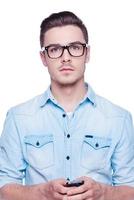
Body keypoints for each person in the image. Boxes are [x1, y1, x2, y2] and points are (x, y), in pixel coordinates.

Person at [0, 11, 134, 200]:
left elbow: (130, 189)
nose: (66, 58)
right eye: (55, 49)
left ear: (87, 53)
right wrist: (42, 192)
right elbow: (4, 188)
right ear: (43, 58)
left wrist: (103, 192)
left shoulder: (119, 119)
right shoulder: (18, 118)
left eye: (75, 47)